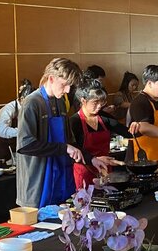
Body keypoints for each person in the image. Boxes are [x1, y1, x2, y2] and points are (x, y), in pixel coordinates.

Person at [16, 58, 101, 208]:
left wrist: (90, 159)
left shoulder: (60, 101)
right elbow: (26, 145)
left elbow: (69, 141)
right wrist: (64, 148)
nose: (68, 90)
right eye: (64, 85)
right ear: (51, 78)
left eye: (70, 86)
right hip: (38, 183)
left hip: (61, 180)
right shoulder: (32, 103)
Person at [68, 77, 137, 189]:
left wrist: (136, 127)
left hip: (105, 170)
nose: (100, 106)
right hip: (84, 172)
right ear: (83, 100)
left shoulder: (104, 118)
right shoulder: (74, 121)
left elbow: (127, 133)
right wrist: (94, 159)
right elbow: (73, 150)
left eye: (102, 102)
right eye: (95, 102)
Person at [0, 79, 34, 162]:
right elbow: (3, 130)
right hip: (2, 148)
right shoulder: (8, 109)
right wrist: (24, 131)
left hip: (17, 148)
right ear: (22, 99)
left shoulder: (29, 108)